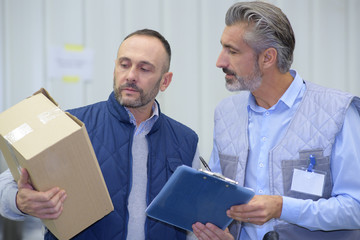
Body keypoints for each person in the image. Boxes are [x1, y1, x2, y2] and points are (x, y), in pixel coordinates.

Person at [0, 28, 200, 240]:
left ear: (165, 81)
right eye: (124, 65)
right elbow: (5, 186)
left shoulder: (186, 141)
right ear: (115, 68)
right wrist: (20, 202)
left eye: (144, 69)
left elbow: (192, 221)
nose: (131, 75)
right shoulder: (68, 124)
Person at [192, 1, 360, 240]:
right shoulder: (225, 113)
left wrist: (282, 207)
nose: (220, 62)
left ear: (268, 57)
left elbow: (356, 207)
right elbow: (221, 197)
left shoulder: (339, 111)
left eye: (233, 51)